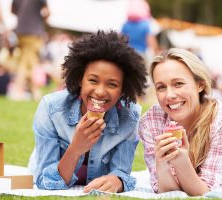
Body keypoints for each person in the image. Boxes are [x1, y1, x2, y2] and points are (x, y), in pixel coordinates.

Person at [28, 30, 148, 192]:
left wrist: (118, 180)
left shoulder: (130, 115)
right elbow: (45, 180)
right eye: (93, 80)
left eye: (112, 84)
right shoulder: (51, 108)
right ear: (80, 79)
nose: (100, 91)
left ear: (122, 89)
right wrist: (77, 147)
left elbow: (121, 172)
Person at [138, 48, 222, 196]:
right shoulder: (151, 121)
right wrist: (161, 164)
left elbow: (209, 194)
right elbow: (169, 194)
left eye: (178, 83)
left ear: (200, 84)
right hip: (192, 183)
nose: (170, 95)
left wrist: (182, 163)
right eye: (161, 87)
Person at [9, 0, 50, 100]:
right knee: (29, 62)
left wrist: (23, 15)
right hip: (34, 32)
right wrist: (40, 18)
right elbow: (47, 12)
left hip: (21, 31)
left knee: (27, 60)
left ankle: (32, 91)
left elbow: (12, 10)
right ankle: (20, 90)